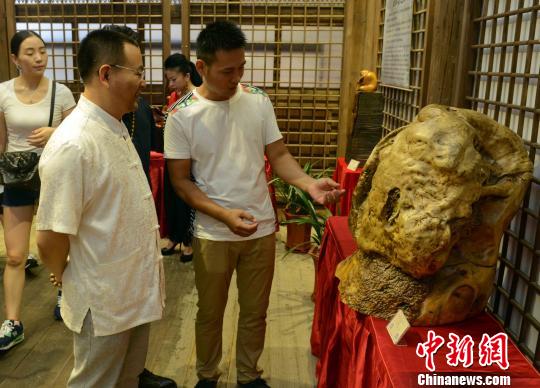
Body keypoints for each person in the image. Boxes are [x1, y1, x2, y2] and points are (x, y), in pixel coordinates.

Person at [164, 21, 344, 388]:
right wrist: (222, 214)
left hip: (261, 227)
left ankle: (249, 376)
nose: (237, 77)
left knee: (255, 311)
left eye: (241, 68)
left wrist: (309, 184)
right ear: (201, 68)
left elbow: (277, 154)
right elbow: (180, 180)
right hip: (214, 231)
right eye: (227, 70)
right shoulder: (181, 115)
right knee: (210, 313)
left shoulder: (258, 100)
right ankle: (207, 375)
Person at [35, 28, 166, 387]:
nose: (143, 81)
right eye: (137, 72)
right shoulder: (74, 143)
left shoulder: (115, 124)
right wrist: (66, 272)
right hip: (104, 298)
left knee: (126, 379)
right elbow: (49, 237)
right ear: (106, 74)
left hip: (131, 291)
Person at [0, 30, 75, 353]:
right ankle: (13, 322)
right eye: (30, 52)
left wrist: (55, 131)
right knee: (16, 255)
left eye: (42, 51)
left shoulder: (62, 93)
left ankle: (65, 292)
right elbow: (1, 143)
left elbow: (78, 136)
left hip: (54, 174)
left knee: (58, 245)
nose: (39, 57)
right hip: (15, 177)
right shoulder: (2, 92)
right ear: (15, 59)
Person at [161, 53, 202, 262]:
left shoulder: (197, 97)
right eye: (168, 79)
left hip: (191, 157)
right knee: (172, 198)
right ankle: (174, 236)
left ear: (187, 76)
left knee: (186, 198)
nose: (170, 84)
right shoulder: (175, 97)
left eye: (174, 79)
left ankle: (188, 241)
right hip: (172, 153)